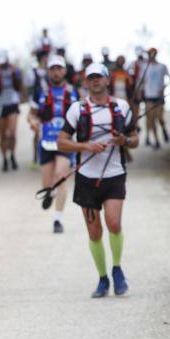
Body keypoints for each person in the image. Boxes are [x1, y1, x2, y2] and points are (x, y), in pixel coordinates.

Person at [57, 63, 138, 298]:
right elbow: (62, 142)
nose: (95, 81)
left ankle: (117, 269)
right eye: (91, 78)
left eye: (99, 77)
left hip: (114, 175)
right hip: (86, 178)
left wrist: (125, 141)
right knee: (94, 232)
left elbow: (135, 138)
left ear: (107, 80)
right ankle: (102, 278)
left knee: (113, 223)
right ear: (85, 82)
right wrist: (85, 146)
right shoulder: (77, 109)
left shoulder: (121, 107)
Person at [28, 55, 79, 233]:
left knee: (61, 175)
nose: (56, 72)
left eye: (59, 68)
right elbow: (32, 114)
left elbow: (82, 116)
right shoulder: (40, 91)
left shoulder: (73, 92)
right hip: (46, 141)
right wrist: (33, 122)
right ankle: (49, 193)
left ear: (64, 70)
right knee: (47, 184)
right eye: (53, 69)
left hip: (65, 142)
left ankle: (58, 220)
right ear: (48, 71)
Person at [0, 51, 24, 171]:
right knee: (2, 135)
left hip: (12, 102)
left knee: (12, 133)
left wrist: (23, 96)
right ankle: (5, 159)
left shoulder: (14, 70)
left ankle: (12, 155)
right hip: (0, 103)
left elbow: (20, 83)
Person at [137, 48, 169, 149]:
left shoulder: (162, 66)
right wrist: (139, 92)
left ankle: (164, 129)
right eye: (149, 53)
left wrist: (163, 88)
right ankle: (156, 140)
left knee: (159, 117)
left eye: (153, 53)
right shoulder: (145, 67)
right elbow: (141, 81)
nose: (151, 55)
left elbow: (168, 78)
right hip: (149, 96)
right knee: (151, 118)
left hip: (159, 96)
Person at [26, 50, 50, 168]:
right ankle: (36, 157)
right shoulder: (33, 72)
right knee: (37, 132)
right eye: (46, 57)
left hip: (50, 103)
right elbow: (29, 88)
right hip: (37, 103)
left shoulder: (51, 71)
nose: (47, 59)